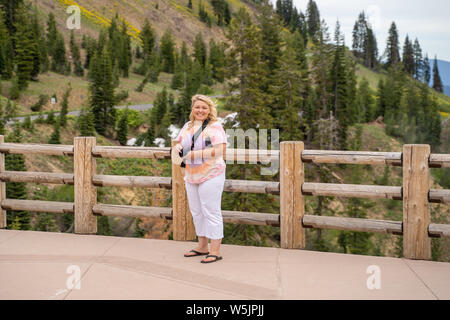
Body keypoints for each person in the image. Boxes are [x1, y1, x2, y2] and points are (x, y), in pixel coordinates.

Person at [173, 94, 227, 263]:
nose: (200, 110)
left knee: (211, 211)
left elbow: (220, 150)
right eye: (197, 107)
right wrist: (178, 149)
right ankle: (202, 246)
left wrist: (195, 154)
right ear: (192, 109)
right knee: (197, 211)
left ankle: (215, 250)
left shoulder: (215, 126)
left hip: (212, 174)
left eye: (204, 108)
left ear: (209, 110)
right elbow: (177, 143)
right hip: (191, 175)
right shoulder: (187, 126)